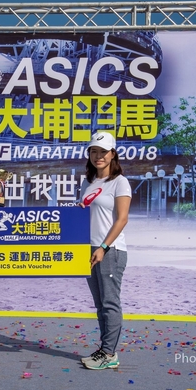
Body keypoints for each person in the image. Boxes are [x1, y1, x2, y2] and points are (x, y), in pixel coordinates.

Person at [78, 131, 132, 370]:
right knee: (100, 304)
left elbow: (122, 219)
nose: (98, 156)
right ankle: (104, 350)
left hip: (110, 250)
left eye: (103, 152)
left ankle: (109, 353)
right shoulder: (88, 182)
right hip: (89, 249)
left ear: (112, 154)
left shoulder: (120, 182)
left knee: (110, 303)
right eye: (94, 151)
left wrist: (103, 247)